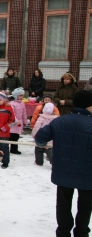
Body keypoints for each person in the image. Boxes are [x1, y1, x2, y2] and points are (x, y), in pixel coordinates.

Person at [35, 90, 92, 237]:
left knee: (63, 203)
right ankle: (81, 231)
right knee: (86, 204)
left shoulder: (59, 121)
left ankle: (63, 231)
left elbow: (40, 138)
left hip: (63, 171)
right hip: (88, 173)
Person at [8, 87, 27, 155]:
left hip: (19, 124)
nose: (21, 97)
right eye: (20, 95)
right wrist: (16, 121)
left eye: (22, 95)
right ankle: (6, 148)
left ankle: (14, 149)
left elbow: (24, 113)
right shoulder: (12, 104)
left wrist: (25, 121)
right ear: (16, 96)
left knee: (16, 137)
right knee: (10, 136)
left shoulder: (22, 103)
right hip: (13, 124)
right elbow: (12, 113)